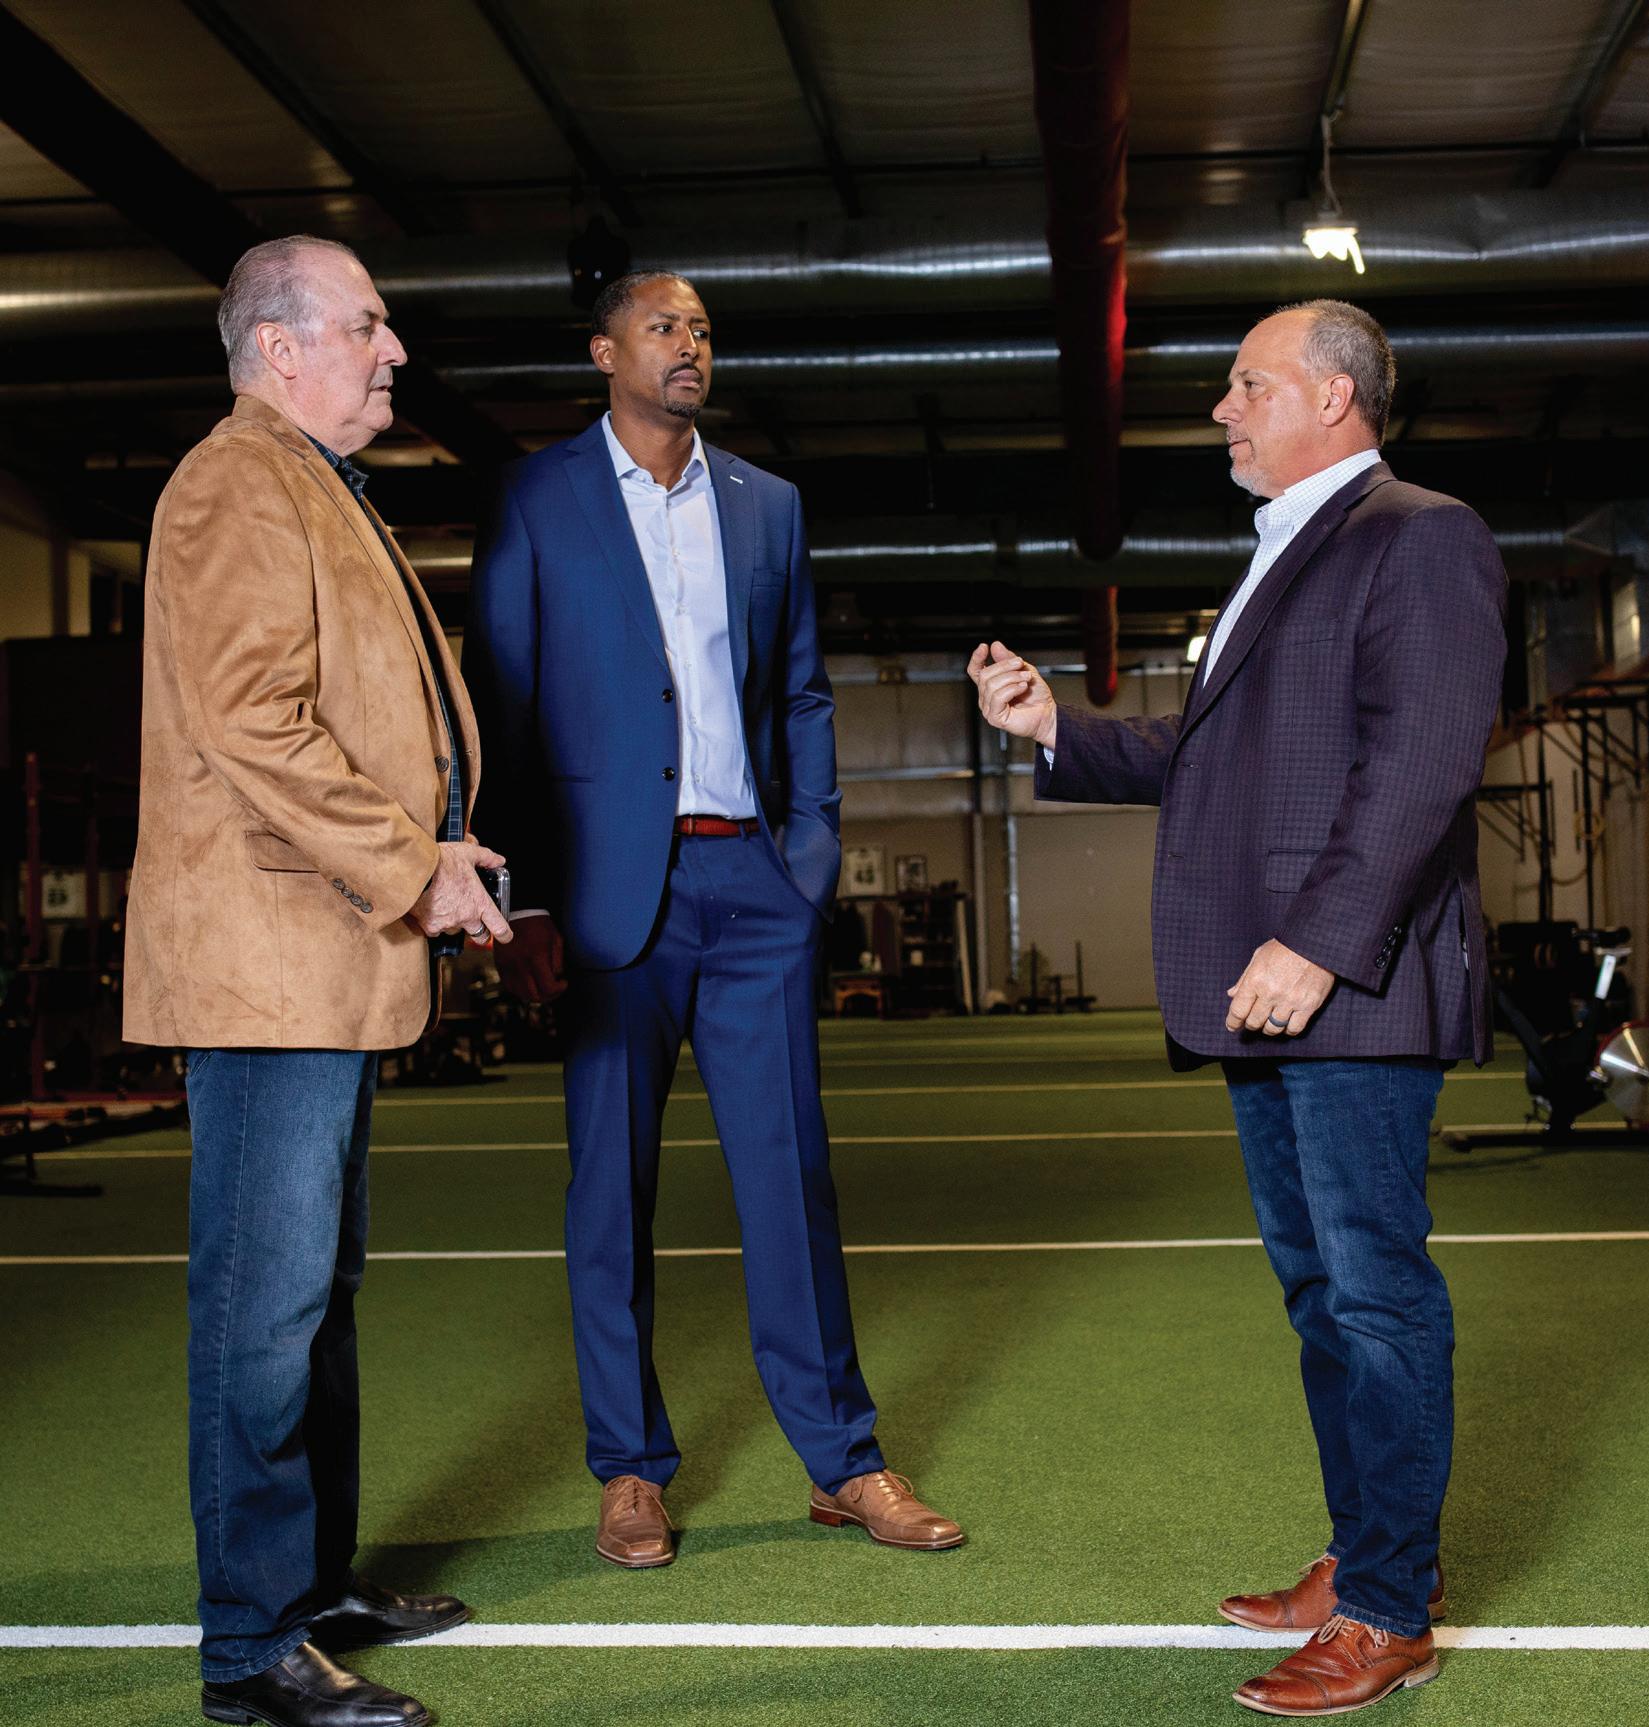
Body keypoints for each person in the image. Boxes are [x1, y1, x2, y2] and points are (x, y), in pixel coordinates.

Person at [970, 300, 1505, 1717]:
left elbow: (1422, 763)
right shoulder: (1286, 549)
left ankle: (1387, 1609)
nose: (1221, 408)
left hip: (1343, 986)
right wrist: (1054, 729)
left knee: (1376, 1294)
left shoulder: (1420, 535)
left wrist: (1316, 946)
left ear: (1332, 398)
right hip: (1270, 994)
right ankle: (1363, 1554)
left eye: (1246, 384)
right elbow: (1214, 754)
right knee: (1321, 1292)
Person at [465, 270, 961, 1568]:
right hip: (604, 897)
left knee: (790, 1180)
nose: (687, 345)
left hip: (752, 887)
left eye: (699, 330)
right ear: (604, 351)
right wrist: (523, 897)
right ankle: (630, 1471)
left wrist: (809, 861)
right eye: (661, 328)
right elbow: (501, 706)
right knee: (608, 1194)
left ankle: (844, 1461)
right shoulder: (535, 497)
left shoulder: (766, 504)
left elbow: (801, 691)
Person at [124, 235, 513, 1727]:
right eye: (367, 324)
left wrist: (437, 846)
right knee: (261, 1309)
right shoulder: (235, 480)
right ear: (280, 348)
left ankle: (312, 1585)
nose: (393, 349)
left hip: (316, 959)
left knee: (313, 1301)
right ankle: (249, 1651)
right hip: (265, 968)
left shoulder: (311, 480)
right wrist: (413, 864)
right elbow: (251, 719)